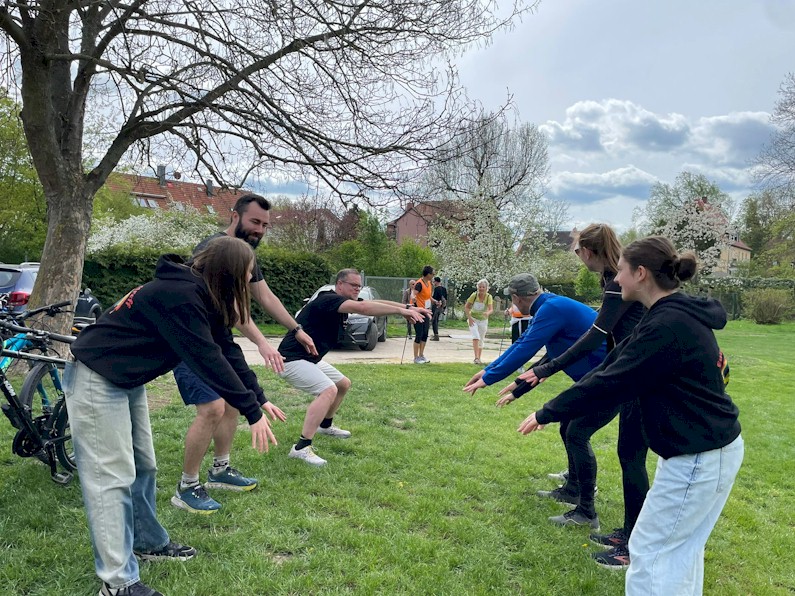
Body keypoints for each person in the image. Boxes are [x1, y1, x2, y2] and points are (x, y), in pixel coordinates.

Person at [518, 236, 743, 596]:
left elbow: (612, 381)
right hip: (704, 452)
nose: (616, 280)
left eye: (621, 271)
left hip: (699, 456)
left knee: (651, 554)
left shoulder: (667, 325)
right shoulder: (665, 315)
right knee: (678, 552)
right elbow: (613, 361)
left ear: (640, 274)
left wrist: (548, 411)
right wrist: (543, 386)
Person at [64, 236, 279, 596]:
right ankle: (117, 583)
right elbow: (206, 359)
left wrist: (258, 398)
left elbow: (226, 348)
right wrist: (250, 410)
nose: (247, 284)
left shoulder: (202, 295)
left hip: (123, 379)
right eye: (244, 277)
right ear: (227, 273)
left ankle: (146, 543)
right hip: (95, 376)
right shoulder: (179, 296)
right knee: (110, 477)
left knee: (143, 466)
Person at [171, 193, 317, 514]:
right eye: (255, 221)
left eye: (265, 224)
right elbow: (234, 311)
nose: (261, 229)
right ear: (235, 216)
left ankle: (220, 470)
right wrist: (263, 343)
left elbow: (263, 296)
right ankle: (187, 486)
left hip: (215, 340)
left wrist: (295, 329)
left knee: (232, 402)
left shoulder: (244, 254)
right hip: (190, 341)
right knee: (211, 407)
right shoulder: (217, 251)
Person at [509, 224, 647, 561]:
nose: (577, 257)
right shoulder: (612, 281)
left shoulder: (618, 282)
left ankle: (625, 538)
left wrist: (543, 370)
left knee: (627, 456)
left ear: (587, 250)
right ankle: (617, 526)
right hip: (627, 370)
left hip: (637, 374)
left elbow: (595, 335)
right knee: (593, 438)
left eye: (576, 250)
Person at [279, 269, 429, 465]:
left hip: (309, 359)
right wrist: (402, 312)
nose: (357, 289)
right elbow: (366, 308)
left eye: (359, 286)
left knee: (343, 384)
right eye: (353, 285)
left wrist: (409, 306)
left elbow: (375, 303)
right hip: (290, 359)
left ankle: (325, 425)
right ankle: (301, 447)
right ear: (339, 284)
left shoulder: (340, 303)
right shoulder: (329, 299)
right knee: (328, 389)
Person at [462, 273, 605, 404]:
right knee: (571, 428)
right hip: (598, 375)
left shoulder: (551, 309)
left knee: (572, 427)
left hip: (606, 374)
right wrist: (487, 371)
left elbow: (525, 350)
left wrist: (488, 378)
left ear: (517, 298)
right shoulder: (548, 306)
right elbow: (521, 343)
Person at [464, 279, 494, 364]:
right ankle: (476, 357)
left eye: (483, 287)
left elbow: (491, 309)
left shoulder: (489, 297)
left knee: (481, 339)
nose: (481, 289)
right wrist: (469, 318)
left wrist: (487, 313)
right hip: (473, 319)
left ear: (486, 288)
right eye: (480, 287)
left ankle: (479, 358)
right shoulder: (474, 295)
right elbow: (466, 307)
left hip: (483, 320)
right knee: (476, 336)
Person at [410, 266, 435, 364]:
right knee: (419, 334)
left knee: (425, 334)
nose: (433, 276)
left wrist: (435, 301)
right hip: (418, 312)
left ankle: (421, 355)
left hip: (426, 311)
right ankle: (415, 357)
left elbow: (428, 297)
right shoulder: (419, 283)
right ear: (428, 274)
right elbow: (413, 293)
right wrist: (413, 298)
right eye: (433, 274)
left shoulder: (429, 283)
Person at [430, 276, 448, 341]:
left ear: (436, 282)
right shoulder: (444, 289)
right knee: (436, 320)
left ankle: (436, 335)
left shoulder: (437, 289)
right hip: (442, 307)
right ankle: (436, 334)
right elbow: (445, 298)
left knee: (434, 320)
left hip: (436, 306)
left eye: (434, 281)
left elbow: (434, 298)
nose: (433, 283)